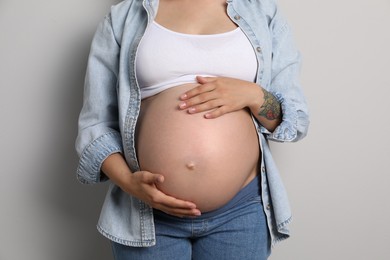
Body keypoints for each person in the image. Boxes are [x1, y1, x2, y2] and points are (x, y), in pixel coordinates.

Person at [75, 0, 309, 259]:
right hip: (147, 216)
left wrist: (254, 96)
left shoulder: (263, 12)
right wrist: (129, 183)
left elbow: (295, 120)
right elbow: (95, 124)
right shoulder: (124, 17)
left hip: (239, 213)